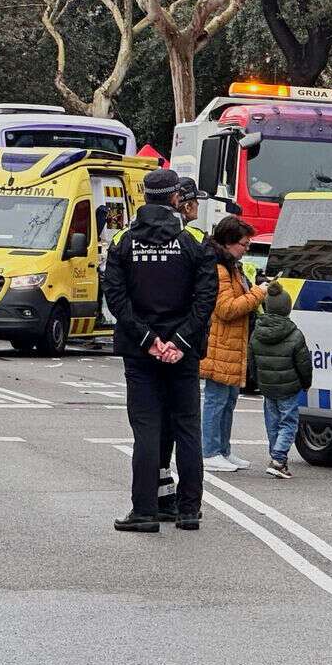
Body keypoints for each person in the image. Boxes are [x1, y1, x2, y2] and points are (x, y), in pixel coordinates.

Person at [104, 168, 219, 533]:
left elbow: (116, 299)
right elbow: (206, 299)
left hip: (141, 354)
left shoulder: (123, 240)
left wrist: (147, 339)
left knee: (147, 429)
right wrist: (180, 341)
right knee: (187, 428)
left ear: (144, 196)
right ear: (175, 199)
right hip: (182, 353)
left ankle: (145, 511)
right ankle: (188, 510)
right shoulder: (196, 240)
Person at [202, 216, 267, 473]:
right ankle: (210, 452)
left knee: (228, 400)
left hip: (231, 343)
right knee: (216, 400)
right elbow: (226, 309)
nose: (247, 247)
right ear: (228, 243)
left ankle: (223, 451)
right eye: (243, 243)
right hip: (220, 343)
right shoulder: (220, 269)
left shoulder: (233, 266)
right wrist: (258, 293)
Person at [248, 282, 313, 478]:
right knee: (289, 423)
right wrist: (306, 383)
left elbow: (252, 362)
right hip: (289, 388)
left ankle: (279, 462)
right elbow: (304, 363)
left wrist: (258, 381)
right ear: (287, 308)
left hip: (267, 388)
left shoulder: (257, 333)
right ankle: (277, 459)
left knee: (273, 423)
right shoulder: (294, 334)